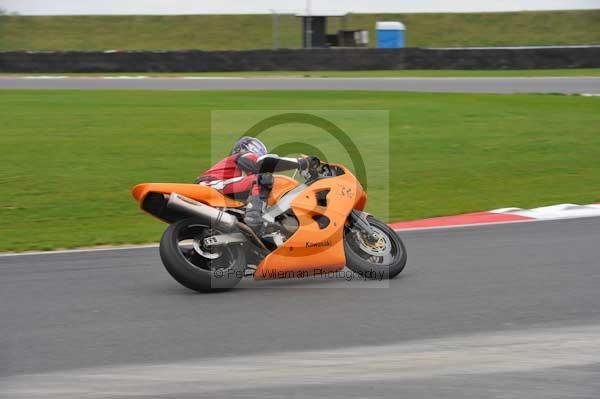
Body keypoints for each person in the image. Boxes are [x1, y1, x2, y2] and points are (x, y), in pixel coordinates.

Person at [195, 137, 318, 232]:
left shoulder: (237, 174)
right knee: (263, 178)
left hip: (214, 188)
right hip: (210, 185)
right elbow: (262, 164)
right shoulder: (243, 155)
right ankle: (254, 217)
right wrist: (301, 163)